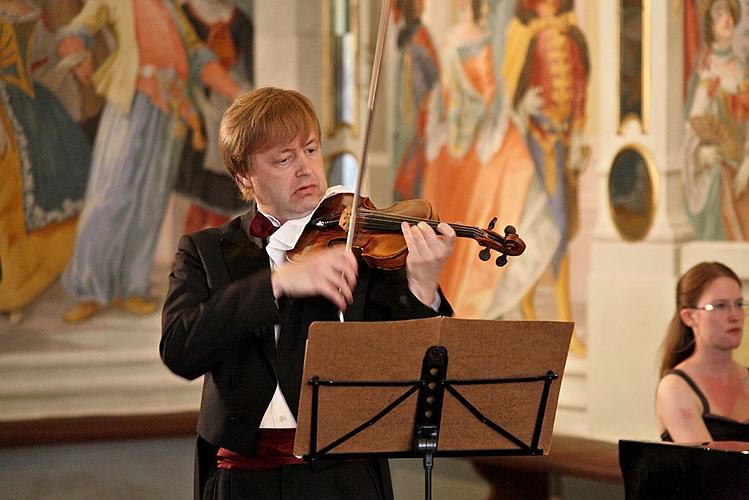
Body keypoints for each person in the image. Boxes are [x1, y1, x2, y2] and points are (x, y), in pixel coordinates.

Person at [160, 87, 456, 499]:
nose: (306, 169)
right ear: (244, 175)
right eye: (284, 159)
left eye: (311, 150)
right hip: (245, 481)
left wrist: (423, 283)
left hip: (348, 480)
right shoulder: (205, 251)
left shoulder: (360, 242)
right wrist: (276, 284)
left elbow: (414, 361)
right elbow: (179, 349)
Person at [57, 0, 243, 324]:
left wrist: (233, 90)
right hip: (133, 100)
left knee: (151, 200)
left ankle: (132, 286)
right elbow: (85, 24)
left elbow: (196, 54)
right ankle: (89, 287)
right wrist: (76, 43)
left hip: (170, 110)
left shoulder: (170, 7)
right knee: (110, 193)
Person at [656, 261, 749, 443]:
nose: (735, 316)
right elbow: (711, 467)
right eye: (720, 306)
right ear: (689, 317)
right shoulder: (675, 387)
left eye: (739, 304)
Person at [683, 0, 749, 240]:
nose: (726, 18)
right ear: (709, 25)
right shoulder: (706, 72)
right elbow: (692, 128)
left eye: (729, 12)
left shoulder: (742, 70)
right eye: (719, 14)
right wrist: (701, 156)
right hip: (720, 171)